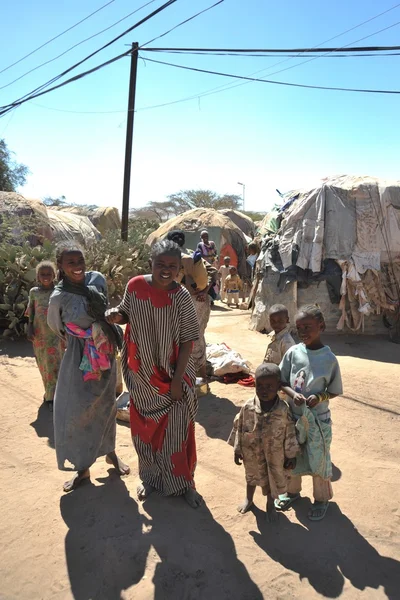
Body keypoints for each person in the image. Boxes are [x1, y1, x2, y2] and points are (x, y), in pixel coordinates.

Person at [106, 240, 203, 509]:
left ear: (179, 269)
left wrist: (176, 382)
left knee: (178, 432)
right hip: (141, 373)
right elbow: (126, 312)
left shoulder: (181, 297)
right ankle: (149, 478)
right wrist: (116, 316)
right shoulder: (135, 286)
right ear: (151, 263)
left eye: (172, 266)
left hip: (174, 374)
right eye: (160, 264)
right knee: (144, 430)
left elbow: (187, 342)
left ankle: (185, 483)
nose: (166, 270)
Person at [47, 242, 129, 493]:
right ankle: (82, 469)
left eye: (80, 260)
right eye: (70, 262)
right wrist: (84, 338)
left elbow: (105, 311)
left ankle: (111, 453)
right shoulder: (58, 296)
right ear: (60, 265)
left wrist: (98, 337)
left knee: (106, 405)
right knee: (77, 410)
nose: (77, 266)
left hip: (104, 351)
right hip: (78, 356)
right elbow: (56, 327)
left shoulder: (97, 281)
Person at [278, 305, 343, 521]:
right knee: (292, 455)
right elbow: (282, 380)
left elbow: (333, 391)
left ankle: (321, 499)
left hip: (318, 421)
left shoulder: (329, 359)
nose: (303, 332)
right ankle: (293, 492)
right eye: (299, 328)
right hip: (293, 418)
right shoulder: (293, 353)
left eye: (308, 327)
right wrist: (291, 393)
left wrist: (320, 397)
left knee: (319, 459)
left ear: (321, 326)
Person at [229, 363, 299, 522]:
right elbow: (239, 427)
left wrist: (291, 455)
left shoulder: (282, 409)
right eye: (259, 385)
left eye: (269, 386)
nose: (264, 390)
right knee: (251, 477)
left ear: (278, 387)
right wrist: (237, 449)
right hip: (252, 453)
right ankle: (249, 499)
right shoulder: (248, 407)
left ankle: (270, 505)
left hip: (275, 456)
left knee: (272, 482)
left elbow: (290, 432)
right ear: (254, 384)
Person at [167, 230, 211, 382]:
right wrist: (204, 291)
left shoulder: (174, 259)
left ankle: (191, 377)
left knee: (185, 338)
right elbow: (214, 272)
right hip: (201, 300)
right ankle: (201, 376)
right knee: (197, 336)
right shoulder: (193, 254)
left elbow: (185, 283)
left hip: (187, 300)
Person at [26, 261, 66, 411]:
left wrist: (66, 333)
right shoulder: (33, 292)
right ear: (37, 276)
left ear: (54, 275)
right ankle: (49, 394)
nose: (46, 277)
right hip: (40, 336)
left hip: (56, 336)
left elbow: (63, 313)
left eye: (49, 274)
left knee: (57, 365)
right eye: (42, 274)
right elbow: (31, 311)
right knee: (44, 366)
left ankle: (55, 396)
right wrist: (29, 327)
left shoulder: (59, 292)